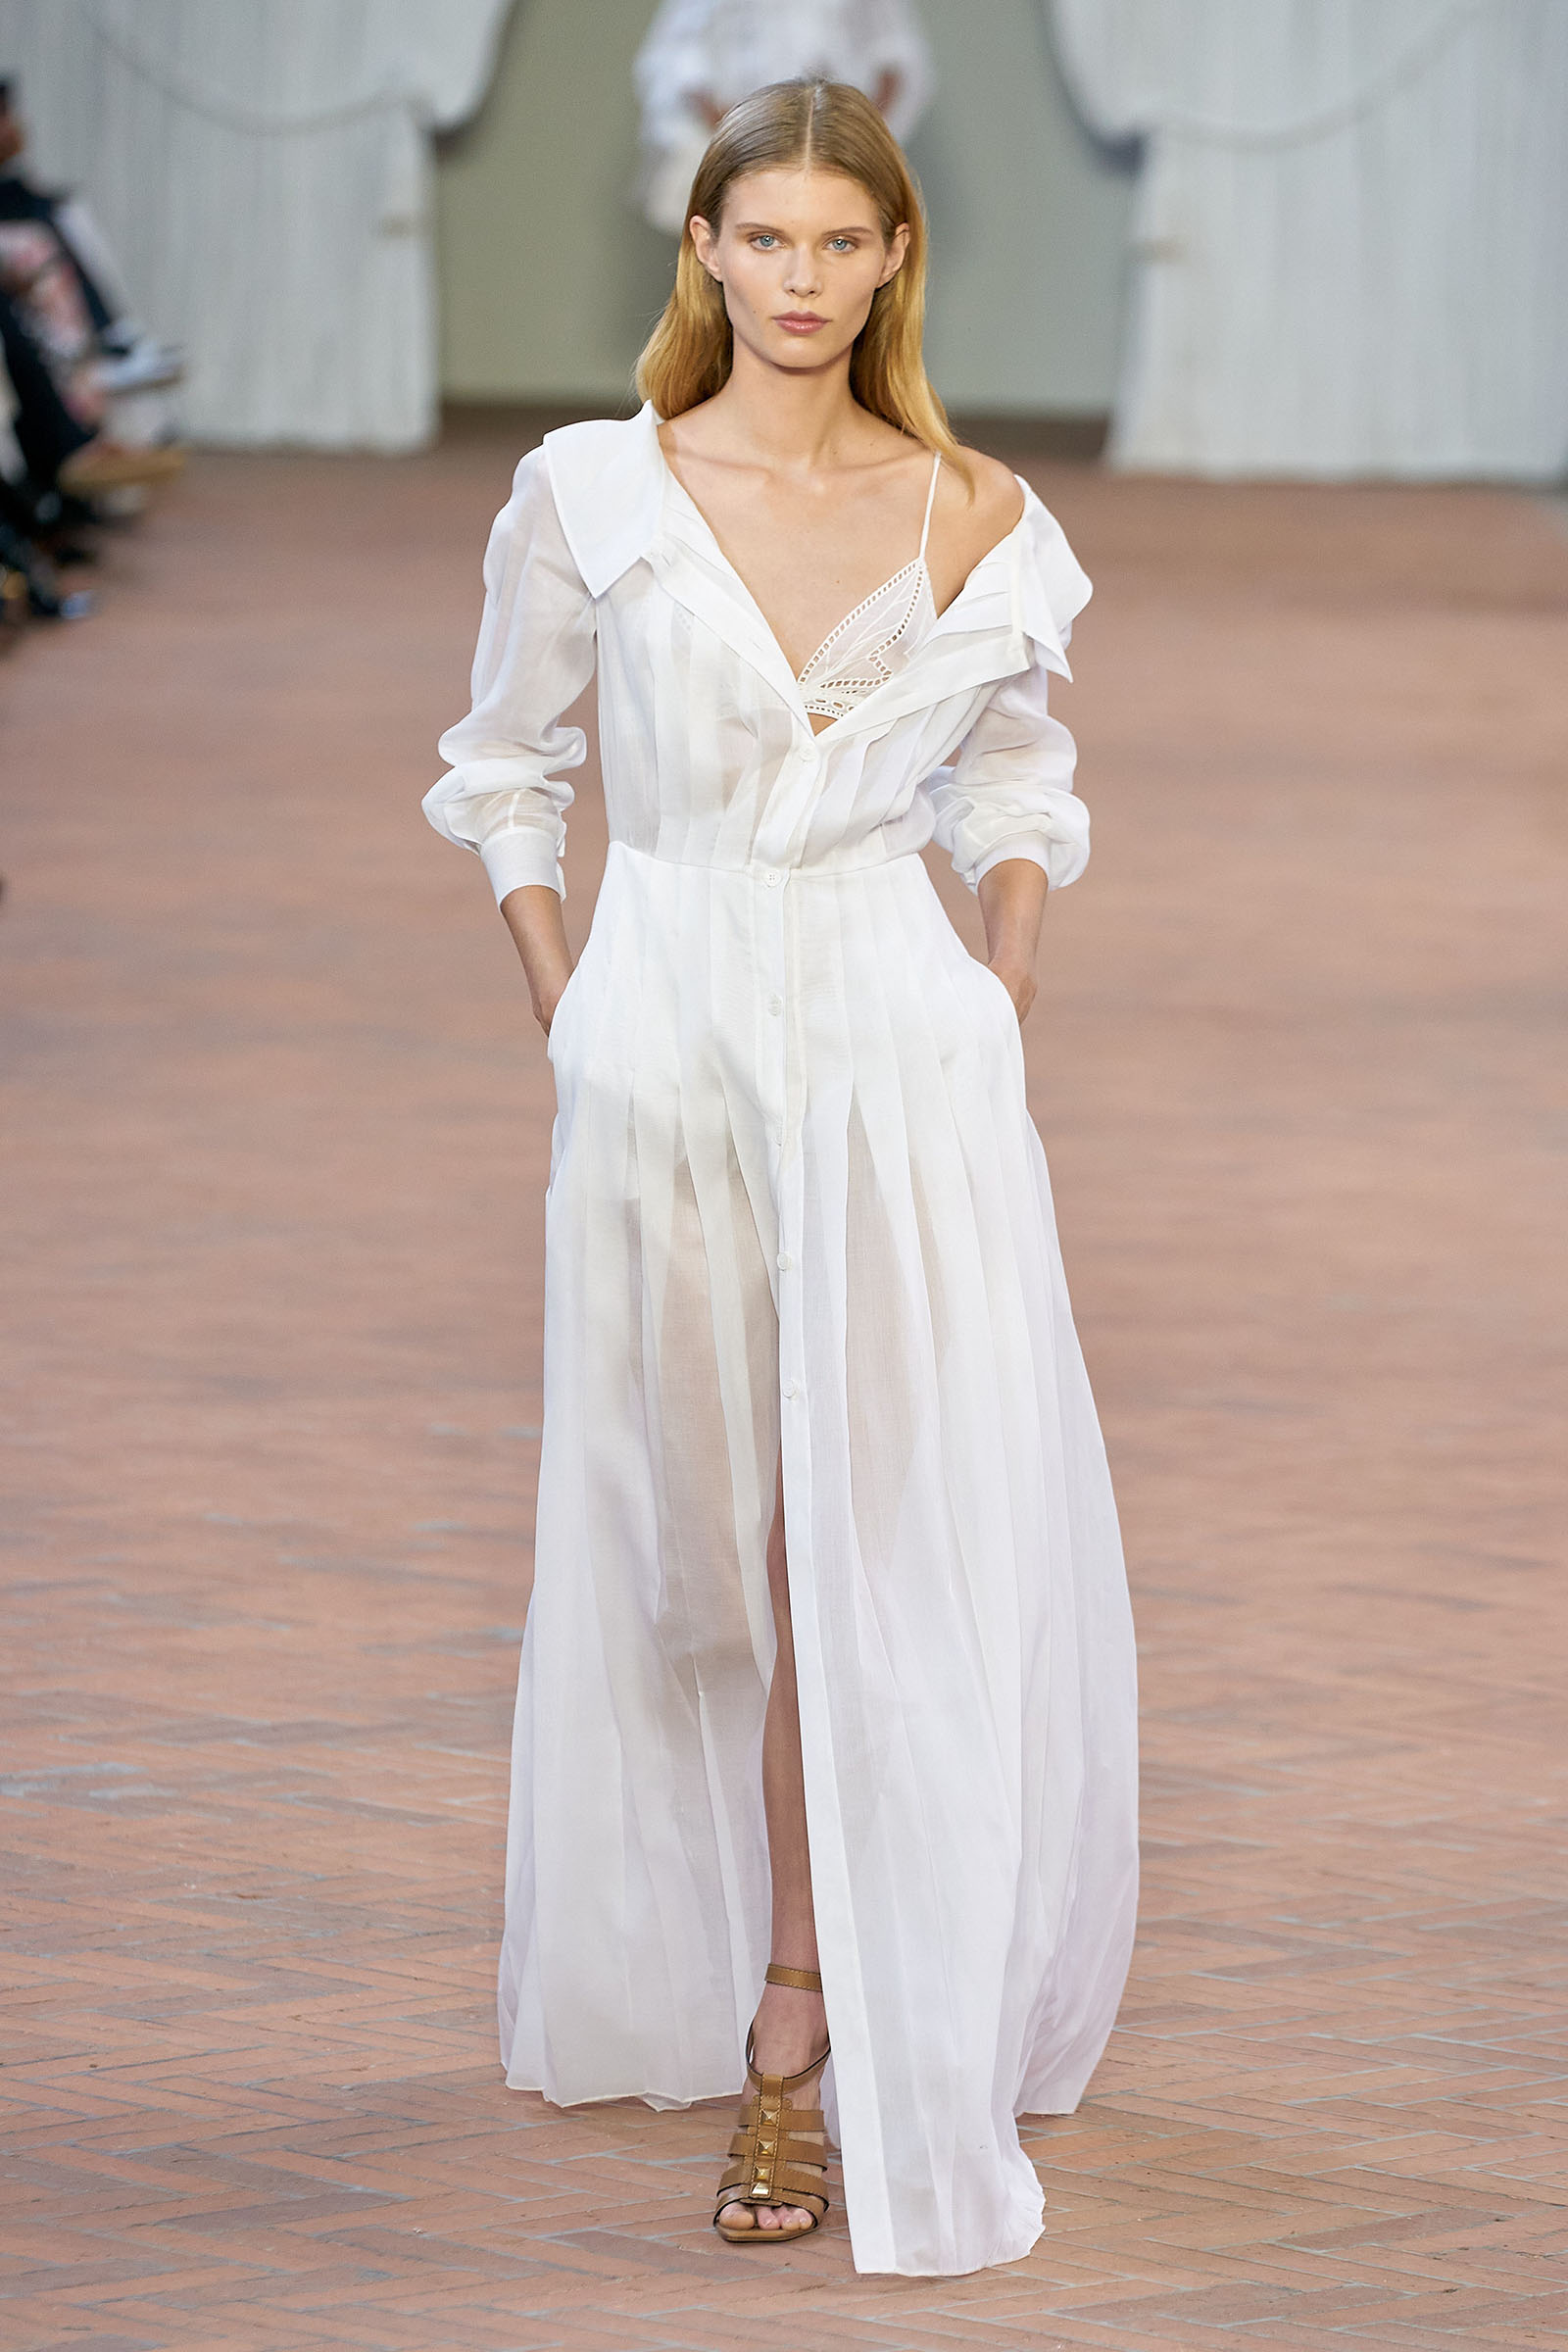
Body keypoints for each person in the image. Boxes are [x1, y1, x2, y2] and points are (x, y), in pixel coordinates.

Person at [424, 78, 1138, 2278]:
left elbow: (1019, 778)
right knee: (699, 1556)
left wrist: (1000, 989)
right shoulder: (596, 494)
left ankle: (800, 2017)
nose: (803, 278)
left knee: (869, 1544)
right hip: (662, 1052)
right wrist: (569, 1002)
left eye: (843, 240)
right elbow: (506, 761)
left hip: (900, 1066)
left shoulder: (973, 512)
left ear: (894, 256)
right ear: (706, 251)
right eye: (768, 239)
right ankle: (719, 1949)